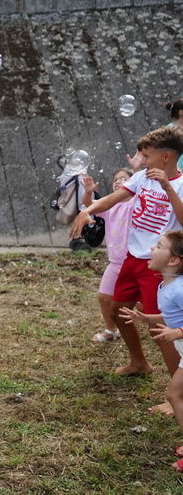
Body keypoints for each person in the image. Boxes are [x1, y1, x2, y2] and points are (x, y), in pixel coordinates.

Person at [70, 127, 183, 404]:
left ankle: (175, 396)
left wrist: (168, 188)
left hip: (158, 265)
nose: (143, 161)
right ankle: (139, 362)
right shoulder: (142, 177)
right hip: (133, 259)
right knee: (118, 310)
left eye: (147, 156)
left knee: (160, 330)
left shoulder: (180, 185)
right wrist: (88, 210)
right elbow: (112, 199)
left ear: (167, 156)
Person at [117, 231, 183, 472]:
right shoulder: (167, 284)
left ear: (173, 260)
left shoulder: (179, 289)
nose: (152, 248)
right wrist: (146, 318)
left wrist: (178, 333)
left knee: (174, 395)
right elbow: (172, 315)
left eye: (159, 246)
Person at [84, 169, 133, 342]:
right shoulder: (109, 206)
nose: (118, 182)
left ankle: (165, 327)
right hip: (115, 263)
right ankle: (111, 330)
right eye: (115, 179)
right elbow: (89, 204)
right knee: (104, 297)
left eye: (124, 179)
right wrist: (89, 192)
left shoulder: (135, 203)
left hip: (135, 263)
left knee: (143, 304)